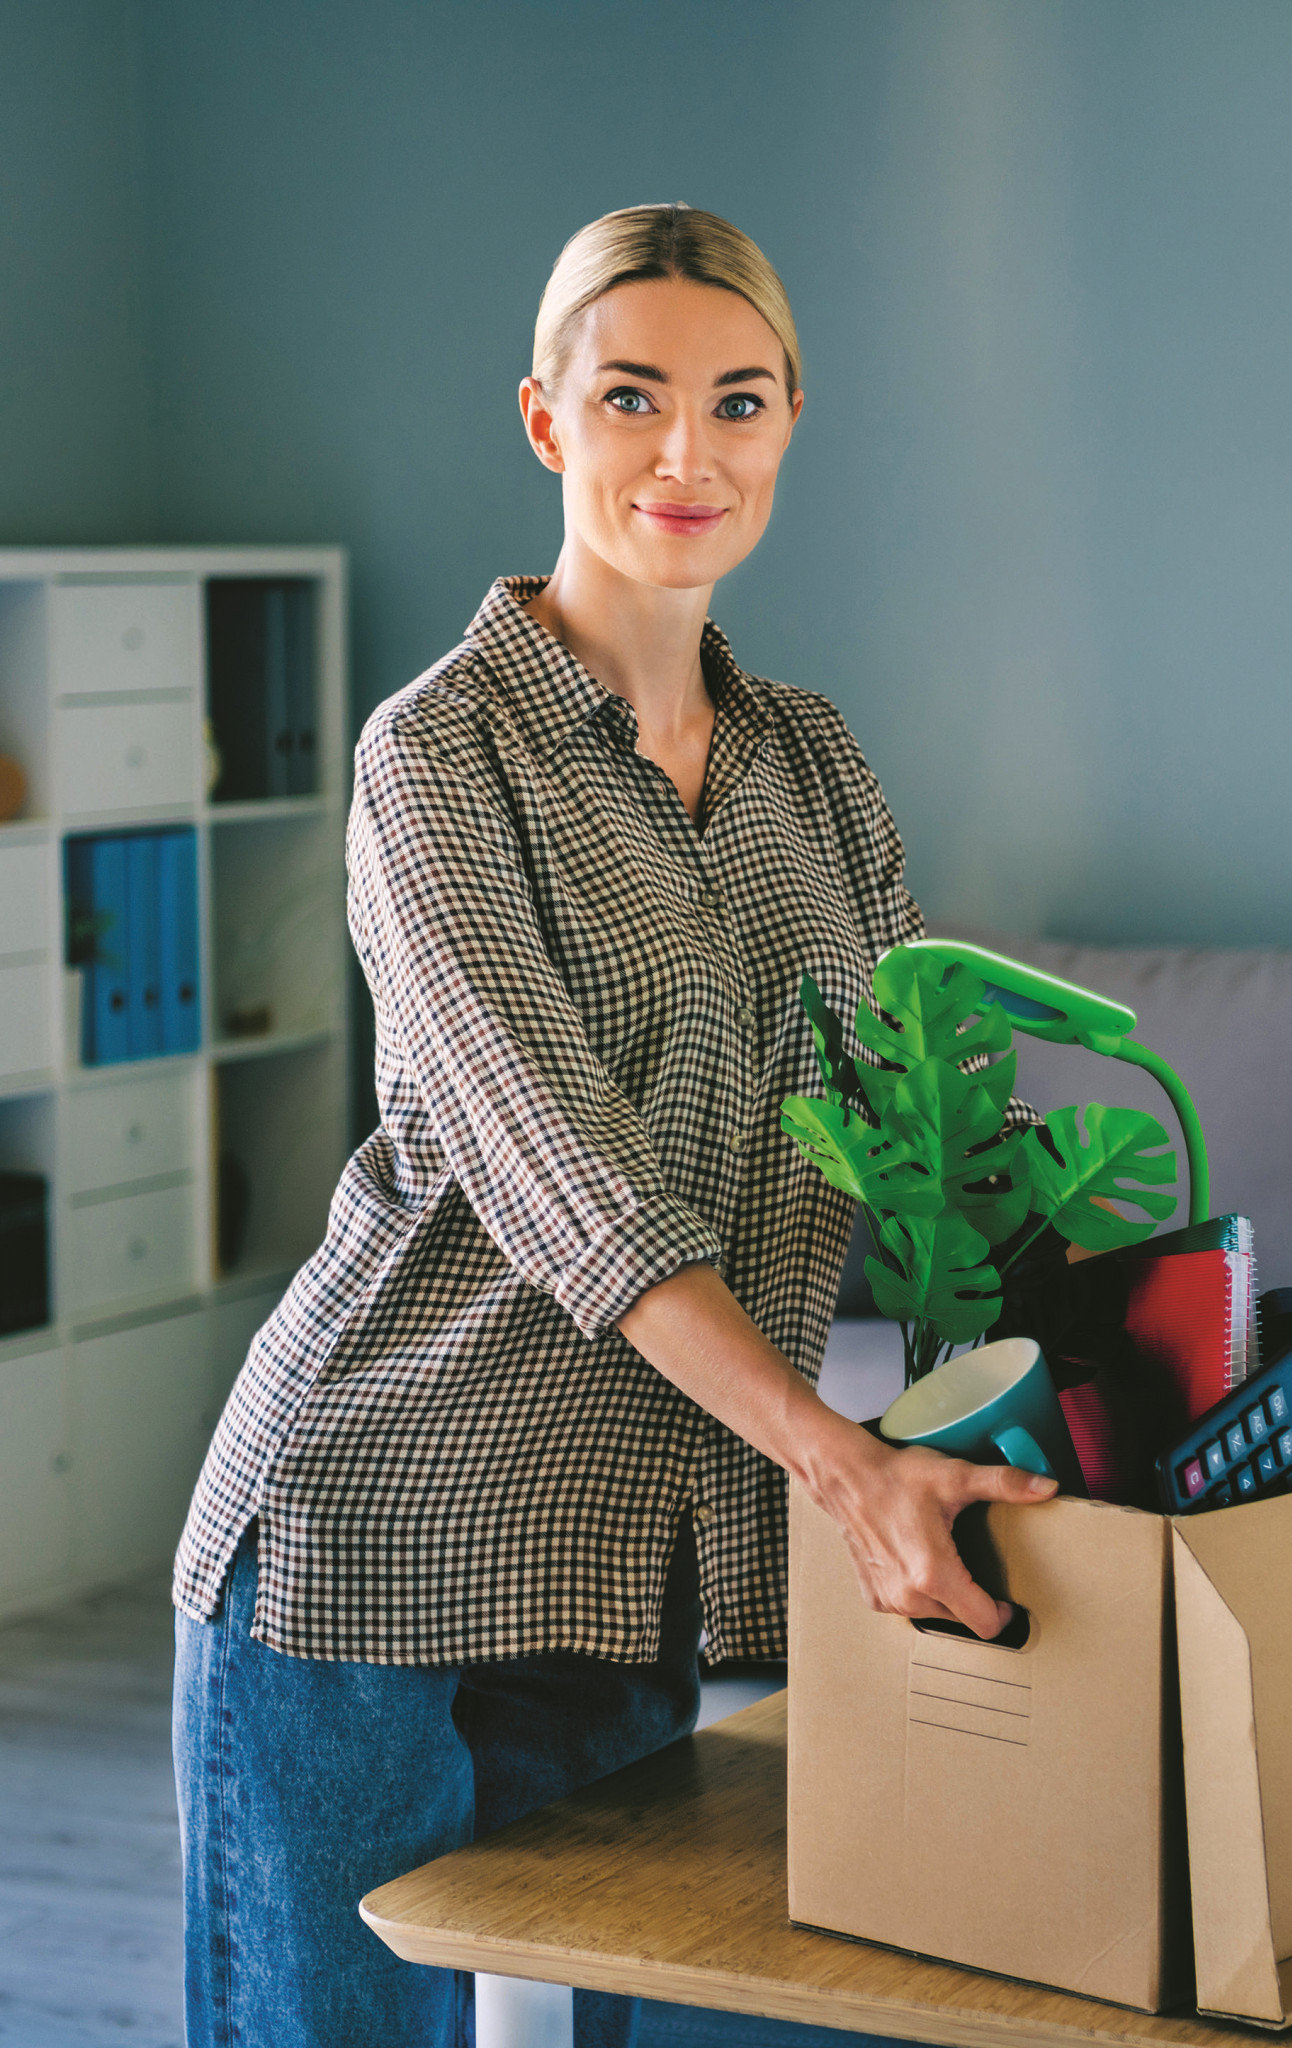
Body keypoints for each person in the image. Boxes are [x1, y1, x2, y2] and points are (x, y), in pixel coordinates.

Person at [170, 203, 1057, 2048]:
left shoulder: (814, 763)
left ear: (792, 420)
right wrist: (838, 1463)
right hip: (364, 1540)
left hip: (617, 1561)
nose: (685, 454)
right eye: (630, 396)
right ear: (543, 419)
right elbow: (563, 1170)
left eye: (736, 402)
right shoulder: (437, 754)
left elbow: (923, 1125)